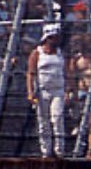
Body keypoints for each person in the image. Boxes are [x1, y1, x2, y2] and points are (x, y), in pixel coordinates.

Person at [26, 24, 67, 158]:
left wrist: (68, 90)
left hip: (58, 91)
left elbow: (66, 72)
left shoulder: (60, 53)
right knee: (43, 122)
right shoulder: (37, 53)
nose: (55, 40)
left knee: (57, 118)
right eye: (52, 38)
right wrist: (30, 92)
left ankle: (59, 150)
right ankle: (46, 151)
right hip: (42, 91)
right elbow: (31, 73)